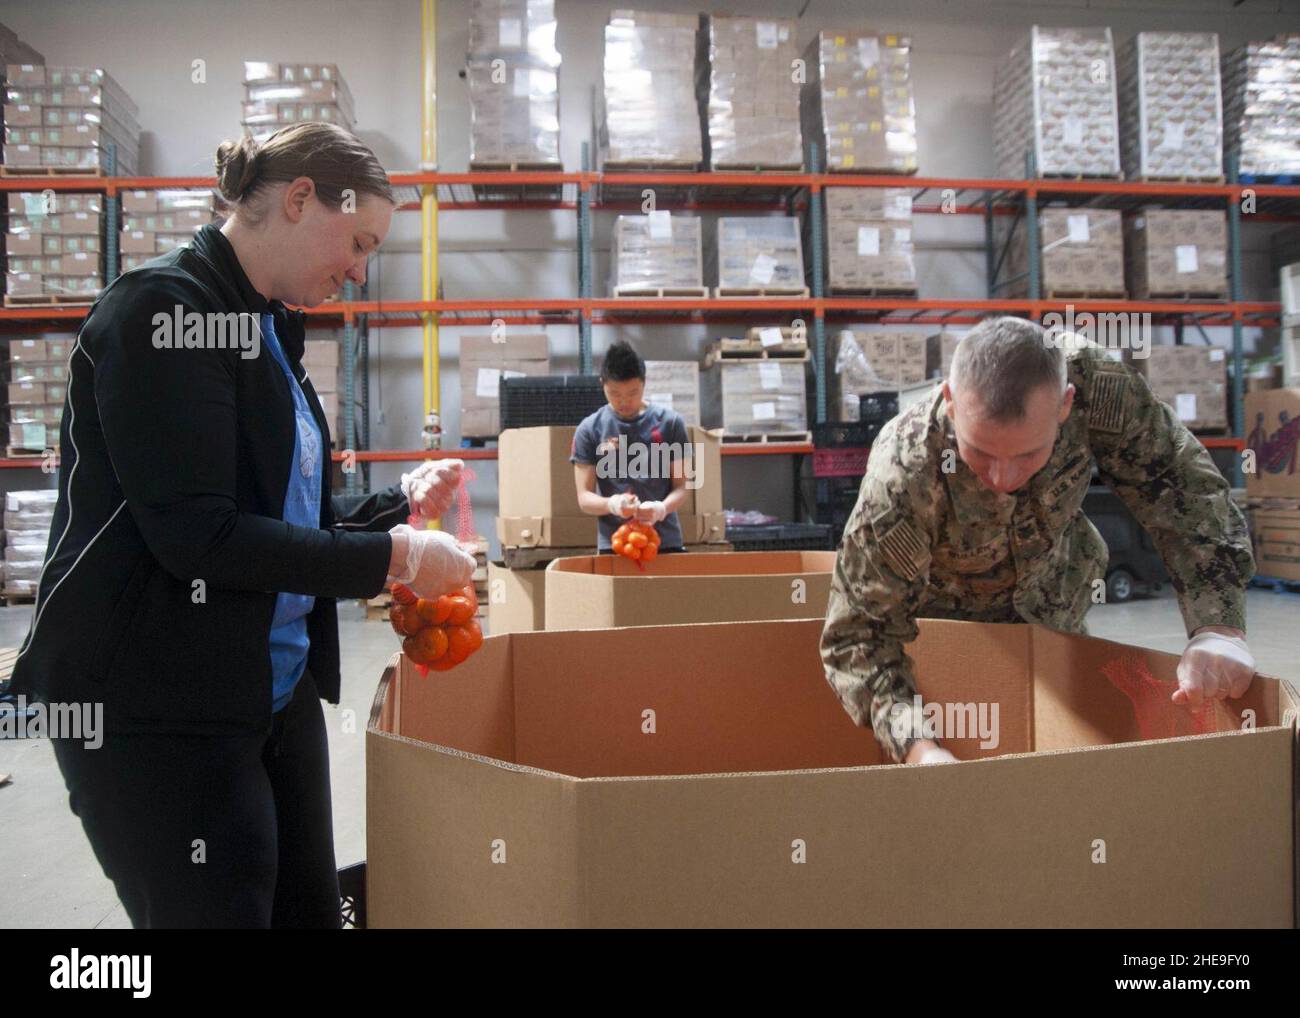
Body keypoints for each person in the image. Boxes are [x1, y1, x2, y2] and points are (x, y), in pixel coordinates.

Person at [7, 122, 477, 928]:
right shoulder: (163, 315)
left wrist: (397, 506)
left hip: (268, 687)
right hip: (157, 705)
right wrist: (396, 557)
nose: (359, 270)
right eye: (358, 242)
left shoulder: (265, 323)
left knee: (306, 911)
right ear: (300, 200)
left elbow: (276, 514)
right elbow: (199, 537)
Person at [821, 317, 1257, 766]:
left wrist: (1217, 627)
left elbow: (1182, 486)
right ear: (951, 401)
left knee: (1062, 768)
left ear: (1065, 405)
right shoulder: (904, 474)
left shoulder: (1094, 387)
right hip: (946, 634)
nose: (1002, 479)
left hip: (1056, 607)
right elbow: (859, 636)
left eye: (1028, 454)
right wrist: (918, 749)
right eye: (981, 453)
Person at [570, 340, 691, 554]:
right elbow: (583, 498)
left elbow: (684, 486)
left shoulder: (673, 423)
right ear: (602, 384)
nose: (624, 401)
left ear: (644, 384)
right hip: (616, 544)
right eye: (615, 393)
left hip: (665, 543)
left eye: (633, 393)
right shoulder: (588, 429)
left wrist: (660, 509)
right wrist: (613, 504)